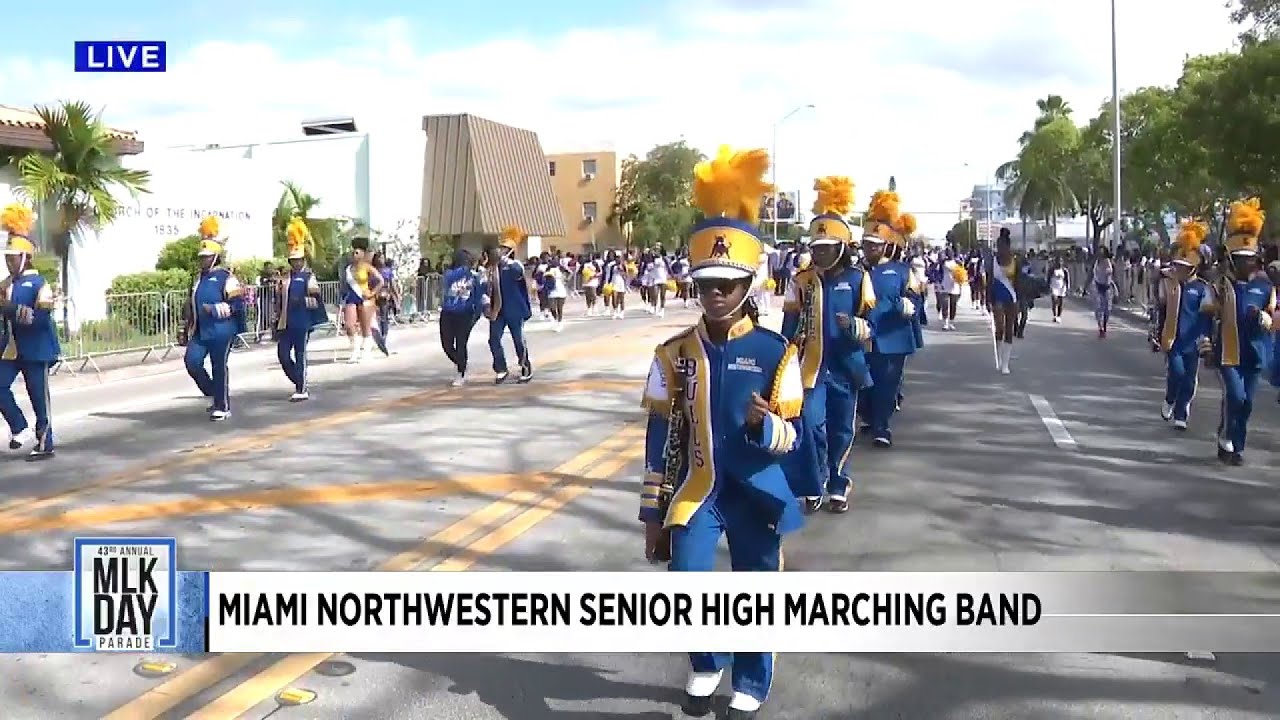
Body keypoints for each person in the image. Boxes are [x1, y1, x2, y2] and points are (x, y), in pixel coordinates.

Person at [639, 146, 803, 720]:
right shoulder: (672, 353)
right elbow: (659, 439)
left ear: (748, 285)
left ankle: (752, 677)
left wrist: (768, 427)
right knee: (685, 582)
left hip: (756, 490)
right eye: (706, 282)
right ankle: (707, 661)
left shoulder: (774, 351)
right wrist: (652, 516)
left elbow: (795, 436)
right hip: (698, 488)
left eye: (726, 284)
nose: (714, 294)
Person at [781, 176, 874, 514]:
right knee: (809, 423)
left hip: (846, 367)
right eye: (815, 248)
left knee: (841, 429)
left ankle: (838, 481)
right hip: (810, 369)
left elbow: (871, 325)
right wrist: (784, 361)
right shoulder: (800, 282)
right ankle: (816, 478)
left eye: (827, 248)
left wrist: (858, 328)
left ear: (842, 249)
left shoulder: (858, 278)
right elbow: (788, 328)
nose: (820, 253)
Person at [1205, 198, 1275, 466]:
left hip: (1256, 355)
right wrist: (1207, 348)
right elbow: (1207, 319)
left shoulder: (1266, 287)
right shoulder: (1220, 287)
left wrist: (1264, 318)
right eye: (1242, 260)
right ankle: (1226, 438)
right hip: (1229, 355)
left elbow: (1273, 318)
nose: (1249, 265)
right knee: (1236, 396)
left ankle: (1237, 446)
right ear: (1232, 261)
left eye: (1252, 260)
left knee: (1246, 405)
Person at [858, 190, 918, 447]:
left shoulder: (902, 271)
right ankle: (870, 418)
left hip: (892, 337)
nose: (869, 248)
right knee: (864, 384)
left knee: (886, 384)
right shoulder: (855, 270)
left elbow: (915, 298)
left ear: (885, 246)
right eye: (866, 244)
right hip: (862, 336)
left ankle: (882, 426)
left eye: (874, 244)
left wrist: (910, 305)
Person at [0, 203, 59, 459]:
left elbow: (40, 319)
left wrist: (10, 307)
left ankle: (45, 441)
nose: (9, 262)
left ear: (25, 258)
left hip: (37, 349)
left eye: (12, 258)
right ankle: (19, 426)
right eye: (6, 258)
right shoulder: (4, 285)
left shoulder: (40, 285)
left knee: (38, 399)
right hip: (12, 349)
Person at [182, 216, 247, 421]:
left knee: (219, 366)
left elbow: (237, 305)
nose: (203, 260)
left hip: (222, 330)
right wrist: (186, 324)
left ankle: (222, 405)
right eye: (202, 256)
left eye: (207, 257)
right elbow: (190, 303)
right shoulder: (197, 279)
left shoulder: (226, 277)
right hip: (201, 331)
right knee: (192, 362)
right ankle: (213, 392)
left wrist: (215, 309)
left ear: (215, 257)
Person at [1157, 220, 1213, 431]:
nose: (1179, 269)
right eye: (1177, 266)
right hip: (1174, 339)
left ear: (1194, 268)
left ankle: (1182, 412)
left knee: (1190, 380)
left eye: (1184, 267)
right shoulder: (1170, 285)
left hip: (1194, 340)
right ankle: (1170, 399)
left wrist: (1206, 342)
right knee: (1176, 374)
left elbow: (1207, 316)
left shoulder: (1202, 288)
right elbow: (1161, 308)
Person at [275, 218, 327, 402]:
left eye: (298, 260)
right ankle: (298, 379)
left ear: (303, 260)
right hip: (286, 322)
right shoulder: (286, 276)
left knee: (300, 353)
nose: (295, 263)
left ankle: (301, 388)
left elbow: (316, 301)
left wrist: (302, 300)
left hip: (302, 321)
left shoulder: (308, 277)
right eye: (293, 260)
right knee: (282, 354)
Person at [482, 226, 534, 384]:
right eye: (500, 248)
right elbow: (485, 286)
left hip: (514, 309)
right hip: (498, 310)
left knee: (518, 339)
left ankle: (525, 367)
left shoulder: (514, 265)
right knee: (493, 339)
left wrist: (505, 261)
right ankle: (501, 368)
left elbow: (518, 273)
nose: (501, 251)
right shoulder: (490, 268)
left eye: (505, 249)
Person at [339, 237, 388, 363]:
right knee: (349, 324)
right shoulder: (348, 269)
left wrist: (372, 292)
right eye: (353, 252)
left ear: (363, 254)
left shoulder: (366, 267)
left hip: (364, 297)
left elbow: (380, 280)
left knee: (365, 327)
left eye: (357, 252)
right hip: (351, 297)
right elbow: (344, 284)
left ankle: (366, 351)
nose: (354, 254)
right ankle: (355, 350)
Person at [440, 248, 483, 386]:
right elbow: (449, 280)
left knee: (461, 343)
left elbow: (479, 296)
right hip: (448, 312)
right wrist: (467, 270)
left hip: (465, 313)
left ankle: (461, 372)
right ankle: (460, 362)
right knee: (446, 344)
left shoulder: (475, 277)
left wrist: (477, 314)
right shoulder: (450, 274)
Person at [987, 229, 1020, 375]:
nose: (1000, 250)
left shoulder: (1015, 262)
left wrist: (1021, 301)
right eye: (998, 246)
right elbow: (988, 282)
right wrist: (987, 299)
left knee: (1009, 330)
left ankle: (1005, 363)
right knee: (999, 327)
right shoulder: (993, 261)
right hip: (998, 297)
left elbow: (1019, 282)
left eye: (1002, 247)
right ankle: (999, 358)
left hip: (1011, 297)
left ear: (1008, 247)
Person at [1091, 246, 1116, 338]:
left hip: (1107, 287)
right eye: (1099, 252)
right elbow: (1094, 274)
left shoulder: (1108, 262)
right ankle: (1100, 327)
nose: (1100, 254)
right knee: (1098, 308)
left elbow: (1110, 273)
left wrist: (1109, 283)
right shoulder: (1096, 262)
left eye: (1102, 253)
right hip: (1098, 286)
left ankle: (1104, 326)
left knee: (1107, 309)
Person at [1048, 255, 1070, 323]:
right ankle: (1054, 316)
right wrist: (1048, 286)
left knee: (1060, 302)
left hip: (1061, 287)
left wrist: (1068, 287)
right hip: (1054, 286)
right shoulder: (1052, 270)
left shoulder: (1064, 270)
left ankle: (1059, 316)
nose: (1059, 263)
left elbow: (1067, 279)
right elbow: (1048, 278)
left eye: (1060, 261)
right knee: (1054, 301)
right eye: (1057, 261)